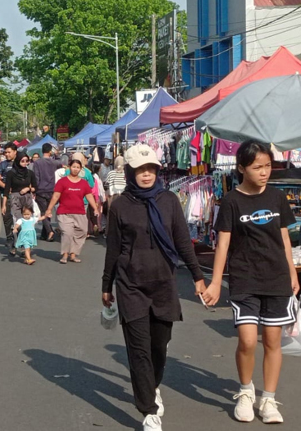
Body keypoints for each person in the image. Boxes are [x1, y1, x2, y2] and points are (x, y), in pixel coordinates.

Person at [102, 144, 206, 431]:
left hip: (163, 284)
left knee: (158, 346)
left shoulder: (169, 200)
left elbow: (183, 241)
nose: (146, 175)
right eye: (140, 170)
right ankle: (148, 411)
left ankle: (153, 386)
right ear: (130, 172)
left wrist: (198, 276)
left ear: (157, 171)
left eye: (151, 169)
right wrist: (106, 285)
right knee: (139, 351)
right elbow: (112, 247)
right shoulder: (120, 206)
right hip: (130, 285)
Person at [202, 140, 299, 425]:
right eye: (258, 167)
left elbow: (284, 239)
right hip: (245, 278)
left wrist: (293, 273)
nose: (265, 172)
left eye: (268, 166)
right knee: (246, 341)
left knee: (272, 341)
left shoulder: (277, 198)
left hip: (277, 277)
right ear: (242, 168)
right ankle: (246, 391)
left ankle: (268, 398)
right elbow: (222, 245)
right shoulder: (232, 201)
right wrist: (216, 283)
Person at [45, 158, 99, 263]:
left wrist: (95, 208)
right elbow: (56, 196)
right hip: (64, 212)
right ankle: (65, 254)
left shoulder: (84, 183)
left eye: (78, 167)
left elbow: (89, 196)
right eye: (73, 167)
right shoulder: (62, 181)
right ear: (69, 167)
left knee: (82, 232)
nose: (75, 169)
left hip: (80, 212)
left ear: (80, 169)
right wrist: (49, 209)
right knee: (67, 233)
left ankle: (73, 254)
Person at [2, 152, 37, 256]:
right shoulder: (11, 173)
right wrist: (4, 205)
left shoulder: (30, 173)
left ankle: (24, 246)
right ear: (18, 161)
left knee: (27, 222)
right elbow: (7, 189)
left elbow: (35, 187)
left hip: (27, 198)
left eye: (27, 161)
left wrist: (28, 188)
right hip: (15, 198)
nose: (25, 163)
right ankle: (19, 244)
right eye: (23, 161)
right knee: (19, 222)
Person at [32, 143, 63, 241]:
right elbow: (61, 163)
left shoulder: (37, 162)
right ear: (50, 151)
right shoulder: (54, 162)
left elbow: (36, 177)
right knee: (48, 211)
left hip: (40, 189)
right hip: (51, 189)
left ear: (42, 151)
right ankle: (44, 234)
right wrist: (57, 154)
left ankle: (49, 231)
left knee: (43, 212)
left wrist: (34, 190)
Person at [0, 143, 18, 250]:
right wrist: (6, 187)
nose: (7, 154)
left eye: (9, 152)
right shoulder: (2, 164)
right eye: (5, 152)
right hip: (6, 195)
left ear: (15, 152)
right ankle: (9, 238)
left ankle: (22, 239)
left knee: (20, 217)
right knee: (7, 216)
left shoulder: (21, 162)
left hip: (19, 194)